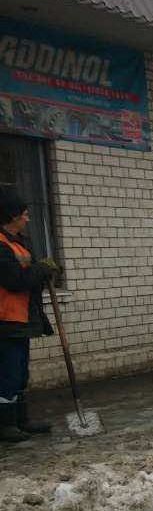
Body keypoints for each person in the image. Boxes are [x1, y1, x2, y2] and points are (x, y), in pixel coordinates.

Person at [0, 189, 56, 441]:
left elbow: (30, 277)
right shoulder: (1, 245)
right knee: (8, 372)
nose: (28, 219)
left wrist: (46, 272)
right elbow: (14, 280)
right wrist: (39, 270)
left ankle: (21, 420)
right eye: (24, 215)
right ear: (12, 216)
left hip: (20, 318)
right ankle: (5, 425)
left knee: (21, 372)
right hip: (5, 319)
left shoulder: (19, 242)